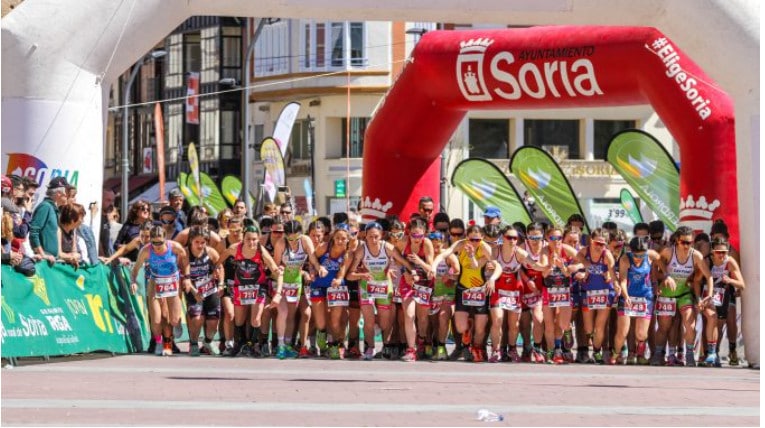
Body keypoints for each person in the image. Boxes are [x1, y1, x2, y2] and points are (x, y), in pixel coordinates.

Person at [432, 224, 500, 363]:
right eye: (471, 239)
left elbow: (494, 265)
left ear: (481, 238)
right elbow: (444, 254)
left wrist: (492, 279)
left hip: (479, 289)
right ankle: (468, 330)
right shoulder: (461, 244)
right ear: (466, 237)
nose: (474, 243)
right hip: (463, 288)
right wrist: (434, 267)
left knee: (480, 328)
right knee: (460, 327)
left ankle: (476, 348)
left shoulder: (484, 247)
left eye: (477, 240)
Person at [217, 224, 283, 357]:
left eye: (254, 239)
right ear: (243, 238)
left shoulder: (261, 251)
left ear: (258, 239)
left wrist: (278, 293)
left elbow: (276, 271)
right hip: (240, 287)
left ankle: (253, 344)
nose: (251, 242)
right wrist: (218, 275)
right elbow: (219, 261)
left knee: (256, 318)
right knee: (239, 319)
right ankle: (240, 344)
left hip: (258, 286)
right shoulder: (234, 249)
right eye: (248, 239)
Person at [653, 226, 713, 366]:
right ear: (676, 241)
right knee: (664, 327)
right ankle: (659, 353)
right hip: (667, 294)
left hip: (684, 293)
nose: (687, 246)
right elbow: (655, 271)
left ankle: (690, 354)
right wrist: (666, 277)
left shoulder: (695, 255)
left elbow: (708, 276)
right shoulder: (668, 252)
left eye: (690, 242)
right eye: (684, 242)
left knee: (689, 323)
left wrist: (709, 295)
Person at [130, 225, 190, 356]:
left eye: (160, 242)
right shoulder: (146, 250)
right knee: (157, 320)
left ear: (165, 239)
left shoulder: (175, 247)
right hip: (155, 282)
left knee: (173, 320)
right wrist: (133, 282)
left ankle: (177, 324)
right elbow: (135, 269)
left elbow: (185, 259)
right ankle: (161, 343)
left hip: (172, 282)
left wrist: (187, 277)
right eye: (154, 242)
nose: (157, 246)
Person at [272, 220, 327, 359]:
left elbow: (313, 259)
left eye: (296, 238)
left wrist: (319, 268)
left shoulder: (305, 241)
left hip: (296, 282)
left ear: (300, 234)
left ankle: (288, 345)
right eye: (290, 239)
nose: (293, 242)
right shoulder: (281, 244)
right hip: (282, 281)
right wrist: (279, 269)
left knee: (291, 315)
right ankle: (280, 346)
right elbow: (275, 266)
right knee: (283, 312)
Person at [612, 236, 661, 365]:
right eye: (636, 255)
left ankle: (640, 354)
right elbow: (622, 280)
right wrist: (626, 296)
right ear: (630, 251)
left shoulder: (651, 255)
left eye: (641, 255)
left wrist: (665, 276)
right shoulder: (625, 259)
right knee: (623, 331)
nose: (638, 259)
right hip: (629, 296)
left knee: (641, 334)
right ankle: (615, 354)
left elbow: (662, 262)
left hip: (645, 297)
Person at [393, 217, 434, 361]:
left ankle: (422, 341)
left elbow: (431, 268)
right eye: (414, 235)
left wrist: (419, 261)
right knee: (409, 315)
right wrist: (406, 268)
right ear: (409, 233)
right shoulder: (404, 240)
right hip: (408, 280)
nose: (417, 238)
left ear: (424, 234)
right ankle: (411, 349)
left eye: (420, 235)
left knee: (422, 317)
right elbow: (394, 254)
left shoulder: (427, 243)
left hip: (424, 282)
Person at [311, 225, 354, 359]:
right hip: (318, 285)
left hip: (336, 288)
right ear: (333, 238)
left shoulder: (348, 255)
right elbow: (312, 260)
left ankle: (334, 345)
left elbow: (342, 273)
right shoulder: (324, 247)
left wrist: (339, 280)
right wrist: (313, 270)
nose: (340, 241)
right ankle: (322, 339)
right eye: (337, 238)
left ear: (348, 240)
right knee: (321, 322)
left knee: (335, 320)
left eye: (343, 239)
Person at [576, 228, 618, 364]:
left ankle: (596, 351)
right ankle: (594, 343)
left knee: (600, 326)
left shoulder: (607, 255)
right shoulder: (584, 252)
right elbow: (575, 262)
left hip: (605, 293)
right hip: (588, 292)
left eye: (602, 244)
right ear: (591, 241)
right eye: (597, 243)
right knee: (588, 328)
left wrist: (611, 278)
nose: (599, 247)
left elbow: (613, 274)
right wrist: (581, 270)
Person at [184, 226, 224, 356]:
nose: (200, 246)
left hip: (210, 288)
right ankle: (194, 343)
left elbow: (220, 267)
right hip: (193, 288)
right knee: (197, 317)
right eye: (197, 242)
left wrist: (221, 284)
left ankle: (208, 341)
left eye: (203, 242)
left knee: (213, 319)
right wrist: (195, 292)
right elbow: (185, 276)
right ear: (191, 241)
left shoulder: (211, 252)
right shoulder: (186, 254)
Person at [29, 176, 70, 264]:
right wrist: (43, 255)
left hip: (50, 261)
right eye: (66, 192)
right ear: (59, 193)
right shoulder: (46, 206)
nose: (67, 195)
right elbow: (33, 232)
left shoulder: (53, 208)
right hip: (44, 263)